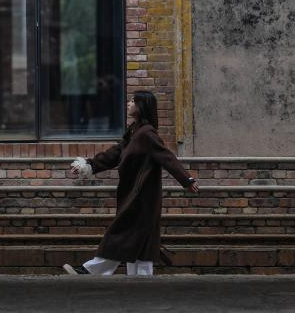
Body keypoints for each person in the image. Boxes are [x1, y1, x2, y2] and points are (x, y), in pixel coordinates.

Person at [62, 90, 199, 276]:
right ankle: (138, 280)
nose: (128, 103)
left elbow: (167, 157)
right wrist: (88, 165)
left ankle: (91, 270)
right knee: (137, 240)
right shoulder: (134, 132)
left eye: (133, 101)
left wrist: (187, 180)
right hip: (135, 196)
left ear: (142, 106)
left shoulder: (147, 134)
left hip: (142, 199)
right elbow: (114, 154)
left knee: (122, 234)